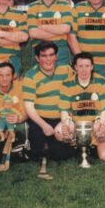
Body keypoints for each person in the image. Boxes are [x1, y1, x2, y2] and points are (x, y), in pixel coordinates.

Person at [23, 41, 73, 180]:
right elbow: (29, 106)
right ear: (37, 58)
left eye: (51, 55)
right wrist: (43, 125)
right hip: (40, 119)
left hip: (61, 117)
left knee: (61, 155)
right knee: (38, 152)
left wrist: (67, 118)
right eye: (44, 56)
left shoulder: (67, 70)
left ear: (56, 56)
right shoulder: (30, 75)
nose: (48, 59)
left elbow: (75, 94)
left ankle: (59, 143)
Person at [56, 52, 105, 161]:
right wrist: (65, 124)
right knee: (58, 131)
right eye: (80, 66)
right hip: (77, 124)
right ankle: (77, 145)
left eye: (87, 66)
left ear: (92, 67)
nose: (84, 70)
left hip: (95, 123)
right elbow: (64, 110)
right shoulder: (67, 84)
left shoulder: (102, 81)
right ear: (75, 67)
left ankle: (96, 143)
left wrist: (101, 123)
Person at [27, 0, 74, 66]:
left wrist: (41, 26)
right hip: (40, 52)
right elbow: (33, 33)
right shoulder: (32, 7)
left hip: (61, 53)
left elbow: (65, 29)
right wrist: (58, 32)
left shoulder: (65, 5)